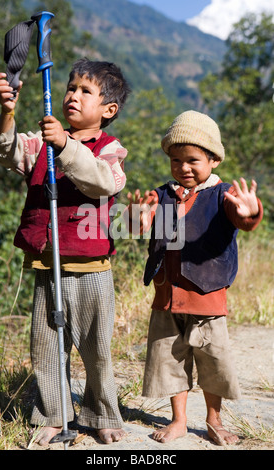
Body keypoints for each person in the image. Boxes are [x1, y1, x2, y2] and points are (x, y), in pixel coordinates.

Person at [0, 58, 131, 446]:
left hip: (91, 269)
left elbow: (102, 182)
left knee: (96, 347)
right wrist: (7, 114)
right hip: (46, 264)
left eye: (86, 91)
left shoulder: (110, 150)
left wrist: (66, 145)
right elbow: (4, 152)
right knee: (48, 346)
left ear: (108, 110)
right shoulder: (41, 143)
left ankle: (100, 411)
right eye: (71, 87)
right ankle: (54, 413)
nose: (73, 95)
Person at [127, 110, 263, 446]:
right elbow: (136, 226)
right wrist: (137, 219)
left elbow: (242, 218)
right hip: (167, 297)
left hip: (207, 297)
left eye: (193, 160)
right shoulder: (162, 195)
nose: (183, 168)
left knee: (212, 362)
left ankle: (214, 420)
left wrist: (251, 212)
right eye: (176, 160)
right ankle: (179, 421)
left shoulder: (223, 195)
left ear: (214, 159)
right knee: (170, 361)